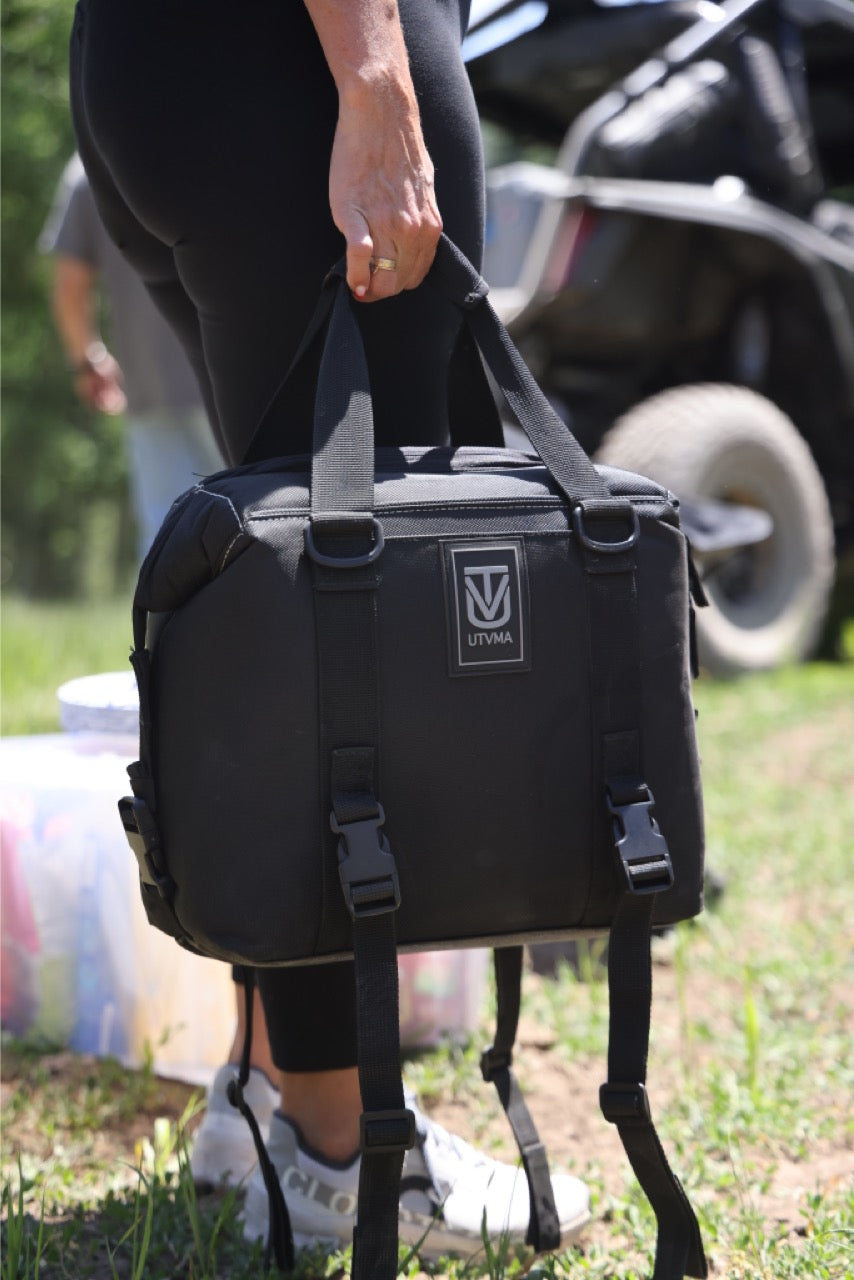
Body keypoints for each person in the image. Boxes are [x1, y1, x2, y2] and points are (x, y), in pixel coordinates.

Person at [68, 0, 591, 1260]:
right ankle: (338, 1145)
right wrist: (376, 83)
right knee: (352, 639)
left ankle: (264, 1091)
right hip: (298, 69)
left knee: (286, 605)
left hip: (159, 64)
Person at [41, 155, 225, 562]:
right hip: (229, 379)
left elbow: (69, 286)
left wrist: (87, 360)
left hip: (145, 384)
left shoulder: (88, 170)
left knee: (163, 536)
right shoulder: (216, 140)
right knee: (252, 519)